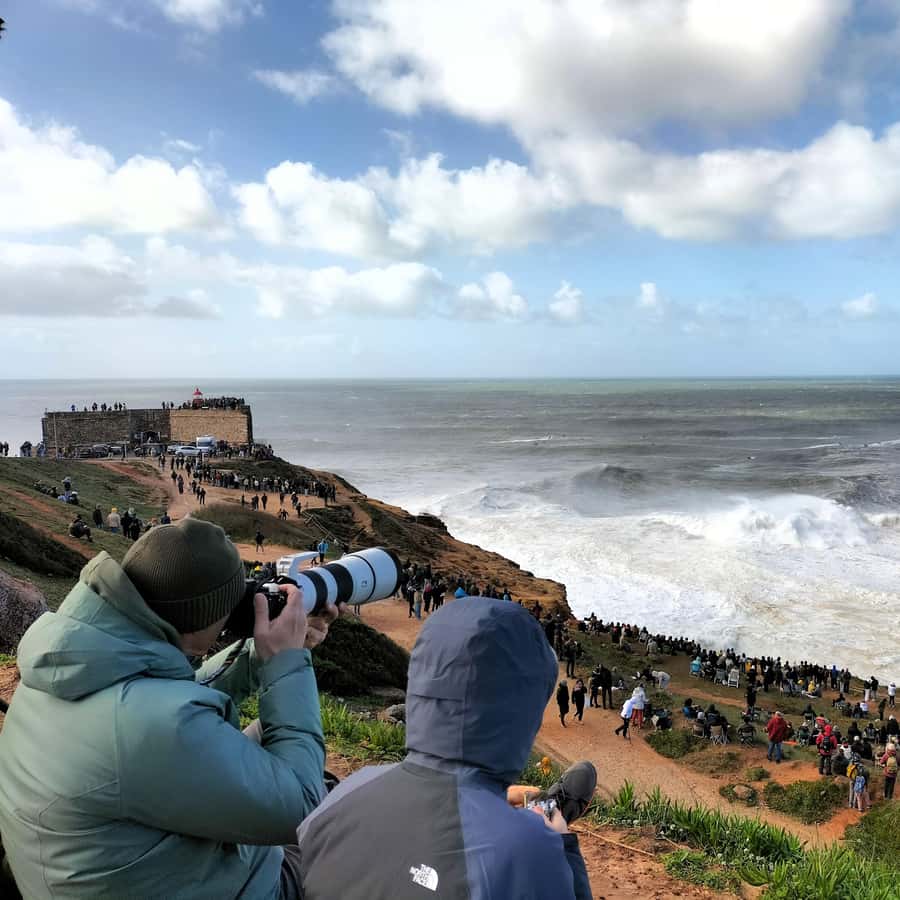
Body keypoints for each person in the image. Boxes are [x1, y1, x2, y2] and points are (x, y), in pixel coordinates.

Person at [0, 517, 338, 899]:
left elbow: (167, 697)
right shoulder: (153, 726)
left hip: (106, 875)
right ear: (203, 617)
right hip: (240, 888)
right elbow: (302, 807)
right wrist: (285, 662)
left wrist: (259, 653)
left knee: (270, 736)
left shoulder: (66, 661)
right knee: (359, 837)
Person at [292, 597, 594, 899]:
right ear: (524, 711)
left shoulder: (344, 793)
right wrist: (561, 845)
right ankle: (557, 816)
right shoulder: (528, 851)